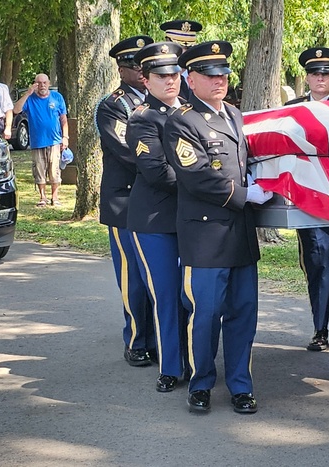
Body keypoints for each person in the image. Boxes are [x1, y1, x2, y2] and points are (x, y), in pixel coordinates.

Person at [166, 40, 273, 414]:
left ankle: (241, 385)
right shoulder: (182, 121)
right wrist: (246, 195)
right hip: (206, 237)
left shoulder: (235, 115)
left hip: (240, 236)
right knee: (206, 315)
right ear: (189, 79)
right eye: (210, 75)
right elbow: (197, 177)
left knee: (243, 314)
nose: (219, 80)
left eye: (224, 74)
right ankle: (201, 383)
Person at [126, 41, 189, 391]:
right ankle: (170, 367)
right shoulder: (142, 118)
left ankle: (195, 360)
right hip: (154, 221)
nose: (170, 80)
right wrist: (204, 184)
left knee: (191, 295)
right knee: (166, 294)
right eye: (161, 75)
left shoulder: (191, 112)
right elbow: (156, 172)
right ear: (145, 80)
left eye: (174, 73)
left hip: (190, 219)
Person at [284, 47, 329, 353]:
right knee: (319, 259)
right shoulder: (293, 108)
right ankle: (319, 328)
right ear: (307, 77)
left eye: (326, 73)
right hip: (308, 196)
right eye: (314, 73)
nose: (320, 78)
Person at [95, 35, 158, 368]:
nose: (140, 71)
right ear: (121, 69)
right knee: (133, 275)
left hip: (155, 200)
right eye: (134, 65)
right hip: (125, 200)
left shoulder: (159, 99)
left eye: (144, 65)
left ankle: (160, 337)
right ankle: (137, 340)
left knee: (157, 276)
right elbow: (127, 152)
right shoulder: (113, 106)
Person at [13, 74, 69, 207]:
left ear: (49, 83)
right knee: (39, 169)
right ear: (35, 84)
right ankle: (42, 197)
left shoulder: (57, 97)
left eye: (44, 82)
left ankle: (55, 197)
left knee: (54, 169)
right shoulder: (30, 99)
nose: (42, 85)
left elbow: (63, 119)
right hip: (37, 141)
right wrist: (27, 93)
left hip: (55, 140)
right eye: (39, 83)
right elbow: (16, 110)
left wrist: (65, 137)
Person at [159, 19, 202, 102]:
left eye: (189, 48)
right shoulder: (157, 76)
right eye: (179, 48)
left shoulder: (199, 77)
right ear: (167, 44)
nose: (185, 53)